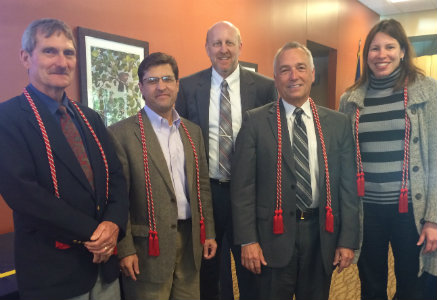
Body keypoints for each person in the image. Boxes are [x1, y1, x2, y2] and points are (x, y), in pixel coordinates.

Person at [0, 18, 128, 300]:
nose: (62, 62)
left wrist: (114, 224)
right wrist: (97, 233)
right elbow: (25, 196)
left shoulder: (90, 117)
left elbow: (116, 177)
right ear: (25, 57)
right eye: (49, 51)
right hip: (53, 274)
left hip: (104, 269)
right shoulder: (7, 118)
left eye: (68, 53)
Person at [231, 41, 360, 300]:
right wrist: (247, 240)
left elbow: (348, 187)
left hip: (321, 235)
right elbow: (243, 187)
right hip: (271, 238)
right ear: (275, 77)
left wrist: (347, 240)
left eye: (300, 68)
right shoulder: (255, 121)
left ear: (312, 73)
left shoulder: (338, 124)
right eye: (285, 70)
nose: (294, 76)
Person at [175, 20, 277, 300]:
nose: (223, 49)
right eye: (217, 43)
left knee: (253, 266)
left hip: (250, 193)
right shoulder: (187, 87)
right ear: (207, 47)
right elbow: (181, 142)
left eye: (229, 42)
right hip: (208, 193)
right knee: (210, 272)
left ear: (240, 47)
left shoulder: (265, 88)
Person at [339, 18, 437, 300]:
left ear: (403, 50)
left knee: (411, 285)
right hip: (366, 210)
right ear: (366, 54)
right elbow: (344, 160)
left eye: (390, 47)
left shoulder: (428, 92)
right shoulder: (351, 99)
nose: (381, 55)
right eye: (374, 48)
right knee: (371, 284)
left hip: (411, 211)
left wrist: (433, 219)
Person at [109, 52, 217, 300]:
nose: (161, 86)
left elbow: (201, 187)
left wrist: (208, 231)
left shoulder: (193, 132)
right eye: (152, 80)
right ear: (141, 88)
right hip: (146, 249)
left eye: (167, 79)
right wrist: (124, 250)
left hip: (191, 242)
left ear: (178, 85)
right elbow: (118, 199)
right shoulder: (121, 134)